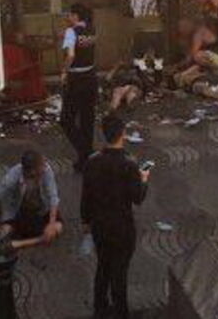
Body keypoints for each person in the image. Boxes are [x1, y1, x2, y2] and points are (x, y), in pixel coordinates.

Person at [81, 115, 150, 319]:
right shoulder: (129, 163)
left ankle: (100, 308)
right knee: (119, 271)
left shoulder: (92, 161)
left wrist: (86, 221)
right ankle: (121, 312)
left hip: (100, 225)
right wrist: (144, 180)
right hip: (122, 225)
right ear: (123, 133)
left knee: (103, 266)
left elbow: (86, 195)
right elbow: (137, 197)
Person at [60, 3, 98, 171]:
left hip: (76, 78)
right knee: (87, 119)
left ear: (76, 16)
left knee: (66, 119)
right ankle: (86, 157)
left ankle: (85, 152)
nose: (68, 17)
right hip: (91, 77)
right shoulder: (92, 29)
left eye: (69, 14)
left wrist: (63, 72)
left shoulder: (71, 32)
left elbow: (71, 55)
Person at [128, 0, 165, 82]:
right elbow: (162, 9)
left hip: (139, 27)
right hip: (155, 27)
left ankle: (142, 79)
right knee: (158, 55)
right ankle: (158, 77)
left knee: (139, 56)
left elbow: (128, 10)